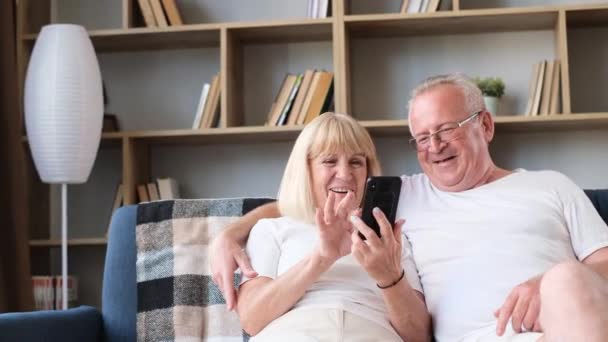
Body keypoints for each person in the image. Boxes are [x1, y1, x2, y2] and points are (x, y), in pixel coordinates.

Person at [211, 74, 608, 342]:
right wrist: (229, 233)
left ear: (485, 125)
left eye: (445, 130)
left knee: (567, 280)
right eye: (421, 138)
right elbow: (313, 201)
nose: (434, 147)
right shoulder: (402, 197)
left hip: (557, 329)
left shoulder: (551, 185)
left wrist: (546, 284)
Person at [236, 112, 431, 341]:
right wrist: (322, 257)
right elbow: (252, 320)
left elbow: (418, 336)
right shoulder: (271, 229)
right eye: (329, 161)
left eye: (356, 162)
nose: (345, 173)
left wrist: (389, 276)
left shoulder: (389, 237)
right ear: (305, 169)